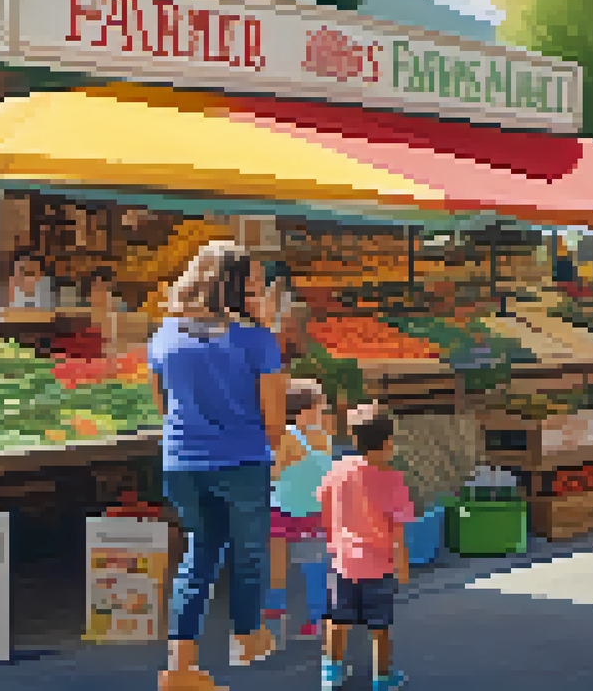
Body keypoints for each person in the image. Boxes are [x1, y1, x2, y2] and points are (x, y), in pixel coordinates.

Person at [149, 242, 285, 691]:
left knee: (200, 552)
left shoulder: (164, 335)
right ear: (234, 286)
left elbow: (161, 404)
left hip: (182, 463)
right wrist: (276, 453)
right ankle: (247, 637)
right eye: (254, 283)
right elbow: (274, 417)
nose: (259, 291)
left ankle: (179, 666)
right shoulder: (258, 340)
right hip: (241, 461)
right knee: (248, 554)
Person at [317, 408, 413, 691]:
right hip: (379, 565)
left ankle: (331, 672)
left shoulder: (337, 470)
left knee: (336, 618)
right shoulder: (393, 480)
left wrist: (335, 538)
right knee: (380, 625)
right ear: (387, 443)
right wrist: (402, 565)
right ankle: (382, 678)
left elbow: (324, 504)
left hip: (342, 560)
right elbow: (398, 530)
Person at [264, 379, 337, 644]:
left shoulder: (290, 437)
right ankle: (314, 617)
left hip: (288, 507)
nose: (324, 411)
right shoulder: (317, 437)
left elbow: (273, 473)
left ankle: (277, 606)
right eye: (321, 406)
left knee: (285, 559)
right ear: (305, 409)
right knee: (313, 564)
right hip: (311, 510)